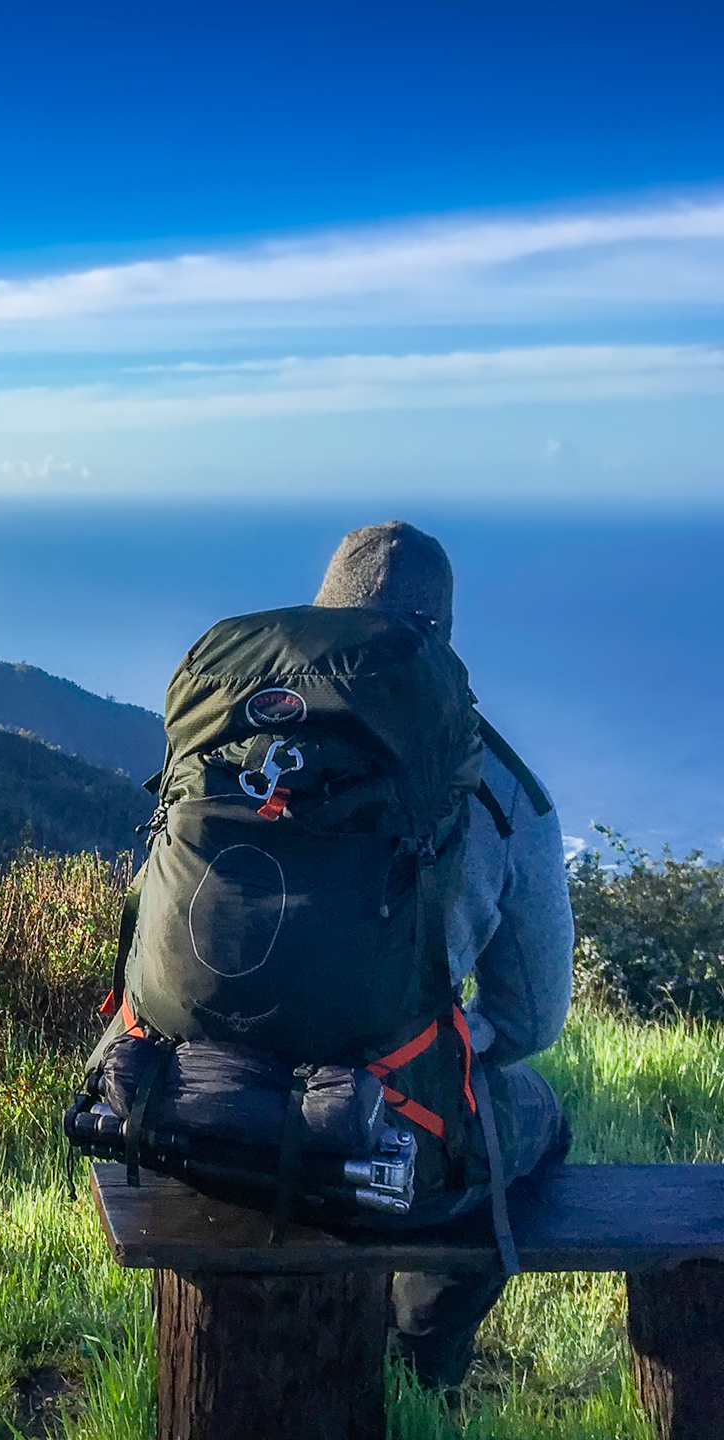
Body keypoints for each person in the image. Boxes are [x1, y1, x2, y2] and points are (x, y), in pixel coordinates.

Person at [313, 520, 575, 1392]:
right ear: (444, 634)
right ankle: (423, 1350)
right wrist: (462, 1035)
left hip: (196, 1098)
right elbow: (533, 1016)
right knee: (537, 1119)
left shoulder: (239, 732)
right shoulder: (498, 787)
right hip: (378, 1114)